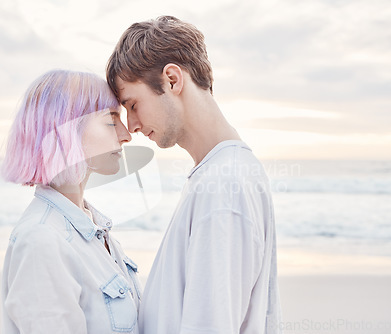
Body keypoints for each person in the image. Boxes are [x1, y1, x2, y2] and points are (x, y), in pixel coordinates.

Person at [106, 16, 281, 334]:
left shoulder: (224, 184)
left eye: (132, 104)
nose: (130, 125)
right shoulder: (218, 175)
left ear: (172, 80)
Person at [0, 70, 141, 334]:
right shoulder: (41, 240)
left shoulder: (93, 227)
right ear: (65, 130)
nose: (126, 134)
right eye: (111, 120)